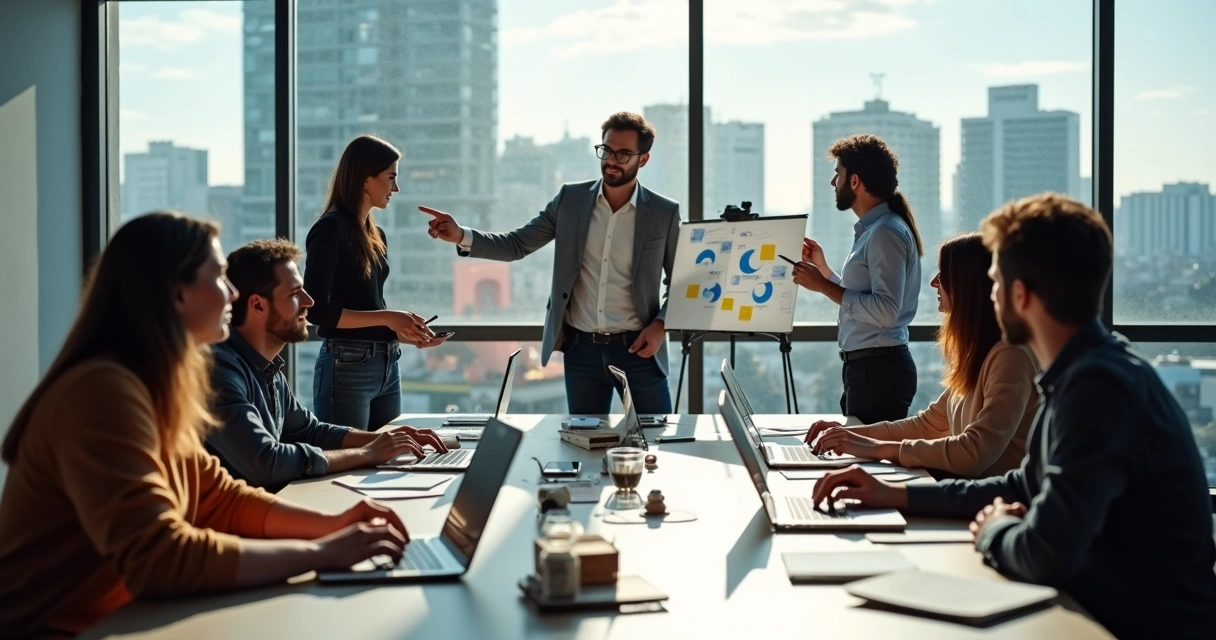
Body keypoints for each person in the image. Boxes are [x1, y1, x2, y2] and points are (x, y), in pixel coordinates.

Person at [810, 194, 1216, 638]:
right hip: (1101, 612)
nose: (991, 294)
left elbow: (1045, 551)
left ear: (1019, 294)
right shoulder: (1083, 373)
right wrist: (893, 495)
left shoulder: (1097, 389)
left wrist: (994, 528)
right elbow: (1021, 484)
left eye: (995, 281)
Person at [0, 213, 412, 638]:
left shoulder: (157, 385)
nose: (233, 292)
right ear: (177, 294)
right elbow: (159, 556)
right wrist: (319, 552)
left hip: (124, 620)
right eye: (219, 277)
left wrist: (336, 525)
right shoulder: (102, 391)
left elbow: (220, 499)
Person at [420, 112, 680, 414]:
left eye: (623, 154)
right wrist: (461, 235)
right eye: (606, 150)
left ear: (643, 159)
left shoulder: (664, 213)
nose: (611, 160)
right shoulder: (571, 200)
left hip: (640, 350)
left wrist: (661, 324)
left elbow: (681, 283)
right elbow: (516, 245)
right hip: (580, 350)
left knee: (656, 441)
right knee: (585, 445)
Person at [206, 239, 449, 491]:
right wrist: (367, 453)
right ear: (257, 305)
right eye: (294, 293)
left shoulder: (268, 369)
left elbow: (311, 431)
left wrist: (386, 439)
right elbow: (266, 462)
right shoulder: (219, 372)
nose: (309, 302)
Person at [805, 233, 1038, 479]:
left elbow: (974, 453)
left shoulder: (1012, 356)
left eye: (943, 274)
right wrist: (851, 434)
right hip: (969, 494)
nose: (934, 282)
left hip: (997, 506)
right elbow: (927, 425)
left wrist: (874, 448)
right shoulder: (980, 353)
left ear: (968, 284)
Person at [304, 135, 448, 431]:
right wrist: (389, 317)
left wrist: (402, 331)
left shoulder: (376, 234)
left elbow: (365, 306)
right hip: (347, 366)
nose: (396, 188)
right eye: (391, 178)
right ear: (364, 179)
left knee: (388, 461)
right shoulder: (330, 229)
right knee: (348, 465)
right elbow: (316, 311)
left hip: (386, 364)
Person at [792, 134, 923, 424]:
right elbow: (865, 297)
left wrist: (824, 286)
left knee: (869, 464)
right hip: (870, 369)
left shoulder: (885, 233)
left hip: (878, 372)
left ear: (855, 181)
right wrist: (824, 270)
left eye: (837, 174)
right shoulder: (877, 229)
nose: (832, 183)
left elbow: (886, 311)